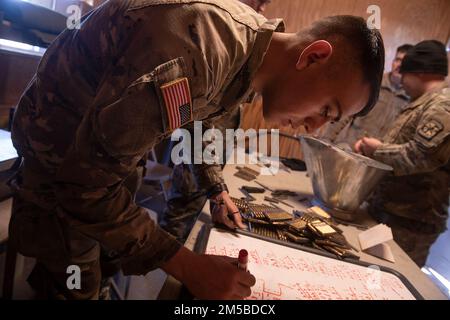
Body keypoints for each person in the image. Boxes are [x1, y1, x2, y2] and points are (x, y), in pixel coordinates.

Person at [10, 0, 384, 299]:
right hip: (58, 164)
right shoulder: (199, 48)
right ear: (313, 57)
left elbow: (200, 126)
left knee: (108, 263)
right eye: (326, 110)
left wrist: (217, 189)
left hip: (106, 164)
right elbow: (83, 188)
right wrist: (188, 266)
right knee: (77, 284)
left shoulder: (248, 58)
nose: (314, 126)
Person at [160, 0, 273, 243]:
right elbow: (193, 127)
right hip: (195, 155)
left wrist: (216, 189)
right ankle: (164, 273)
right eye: (258, 1)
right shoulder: (214, 39)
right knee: (181, 213)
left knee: (195, 218)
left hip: (210, 154)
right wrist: (215, 187)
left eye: (265, 4)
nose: (261, 9)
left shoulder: (244, 44)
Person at [354, 40, 450, 267]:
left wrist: (377, 149)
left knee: (391, 283)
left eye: (405, 73)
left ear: (420, 72)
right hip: (390, 213)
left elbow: (420, 156)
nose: (401, 81)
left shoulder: (442, 106)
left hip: (410, 222)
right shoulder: (422, 103)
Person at [318, 44, 412, 146]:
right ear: (393, 62)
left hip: (375, 157)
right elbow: (345, 114)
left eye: (404, 62)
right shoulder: (372, 84)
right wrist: (326, 140)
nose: (399, 65)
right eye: (397, 60)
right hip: (348, 149)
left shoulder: (411, 99)